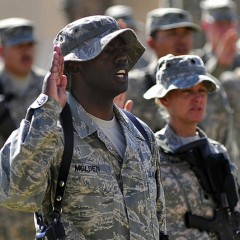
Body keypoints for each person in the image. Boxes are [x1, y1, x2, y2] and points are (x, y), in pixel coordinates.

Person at [0, 15, 167, 239]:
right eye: (108, 50)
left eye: (122, 48)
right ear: (75, 66)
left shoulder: (142, 135)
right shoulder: (52, 132)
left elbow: (159, 222)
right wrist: (47, 108)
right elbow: (14, 194)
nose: (122, 58)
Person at [125, 7, 238, 168]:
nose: (182, 40)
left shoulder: (211, 88)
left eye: (186, 33)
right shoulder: (133, 88)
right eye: (172, 34)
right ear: (151, 42)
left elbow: (228, 149)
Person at [144, 54, 240, 239]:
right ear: (165, 99)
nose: (197, 99)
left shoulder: (217, 152)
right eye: (187, 91)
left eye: (202, 91)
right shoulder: (150, 152)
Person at [0, 17, 46, 240]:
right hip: (5, 205)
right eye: (19, 46)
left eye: (29, 45)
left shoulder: (50, 87)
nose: (26, 51)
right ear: (1, 49)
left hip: (43, 199)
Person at [197, 0, 240, 79]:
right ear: (205, 25)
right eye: (220, 24)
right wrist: (219, 64)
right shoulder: (196, 60)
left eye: (229, 23)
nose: (226, 30)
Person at [104, 4, 151, 70]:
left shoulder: (145, 64)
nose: (126, 37)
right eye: (120, 31)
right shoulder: (100, 62)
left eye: (130, 31)